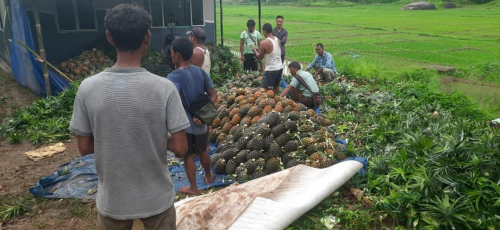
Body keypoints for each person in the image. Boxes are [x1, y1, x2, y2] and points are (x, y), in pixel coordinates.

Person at [69, 4, 189, 230]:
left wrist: (116, 135)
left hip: (113, 199)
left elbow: (84, 147)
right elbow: (181, 148)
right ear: (147, 37)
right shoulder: (165, 88)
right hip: (157, 197)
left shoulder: (87, 88)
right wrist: (150, 135)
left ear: (109, 37)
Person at [168, 37, 218, 195]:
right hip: (201, 123)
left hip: (185, 125)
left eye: (171, 52)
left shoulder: (173, 77)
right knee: (203, 150)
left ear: (177, 55)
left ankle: (193, 188)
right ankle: (209, 176)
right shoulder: (201, 72)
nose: (171, 55)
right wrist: (202, 116)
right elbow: (213, 95)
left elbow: (172, 101)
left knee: (188, 155)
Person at [252, 23, 283, 94]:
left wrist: (254, 50)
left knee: (264, 89)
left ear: (264, 31)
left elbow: (260, 57)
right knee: (275, 87)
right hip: (280, 67)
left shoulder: (264, 43)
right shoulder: (277, 40)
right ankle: (275, 101)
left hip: (271, 69)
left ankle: (266, 102)